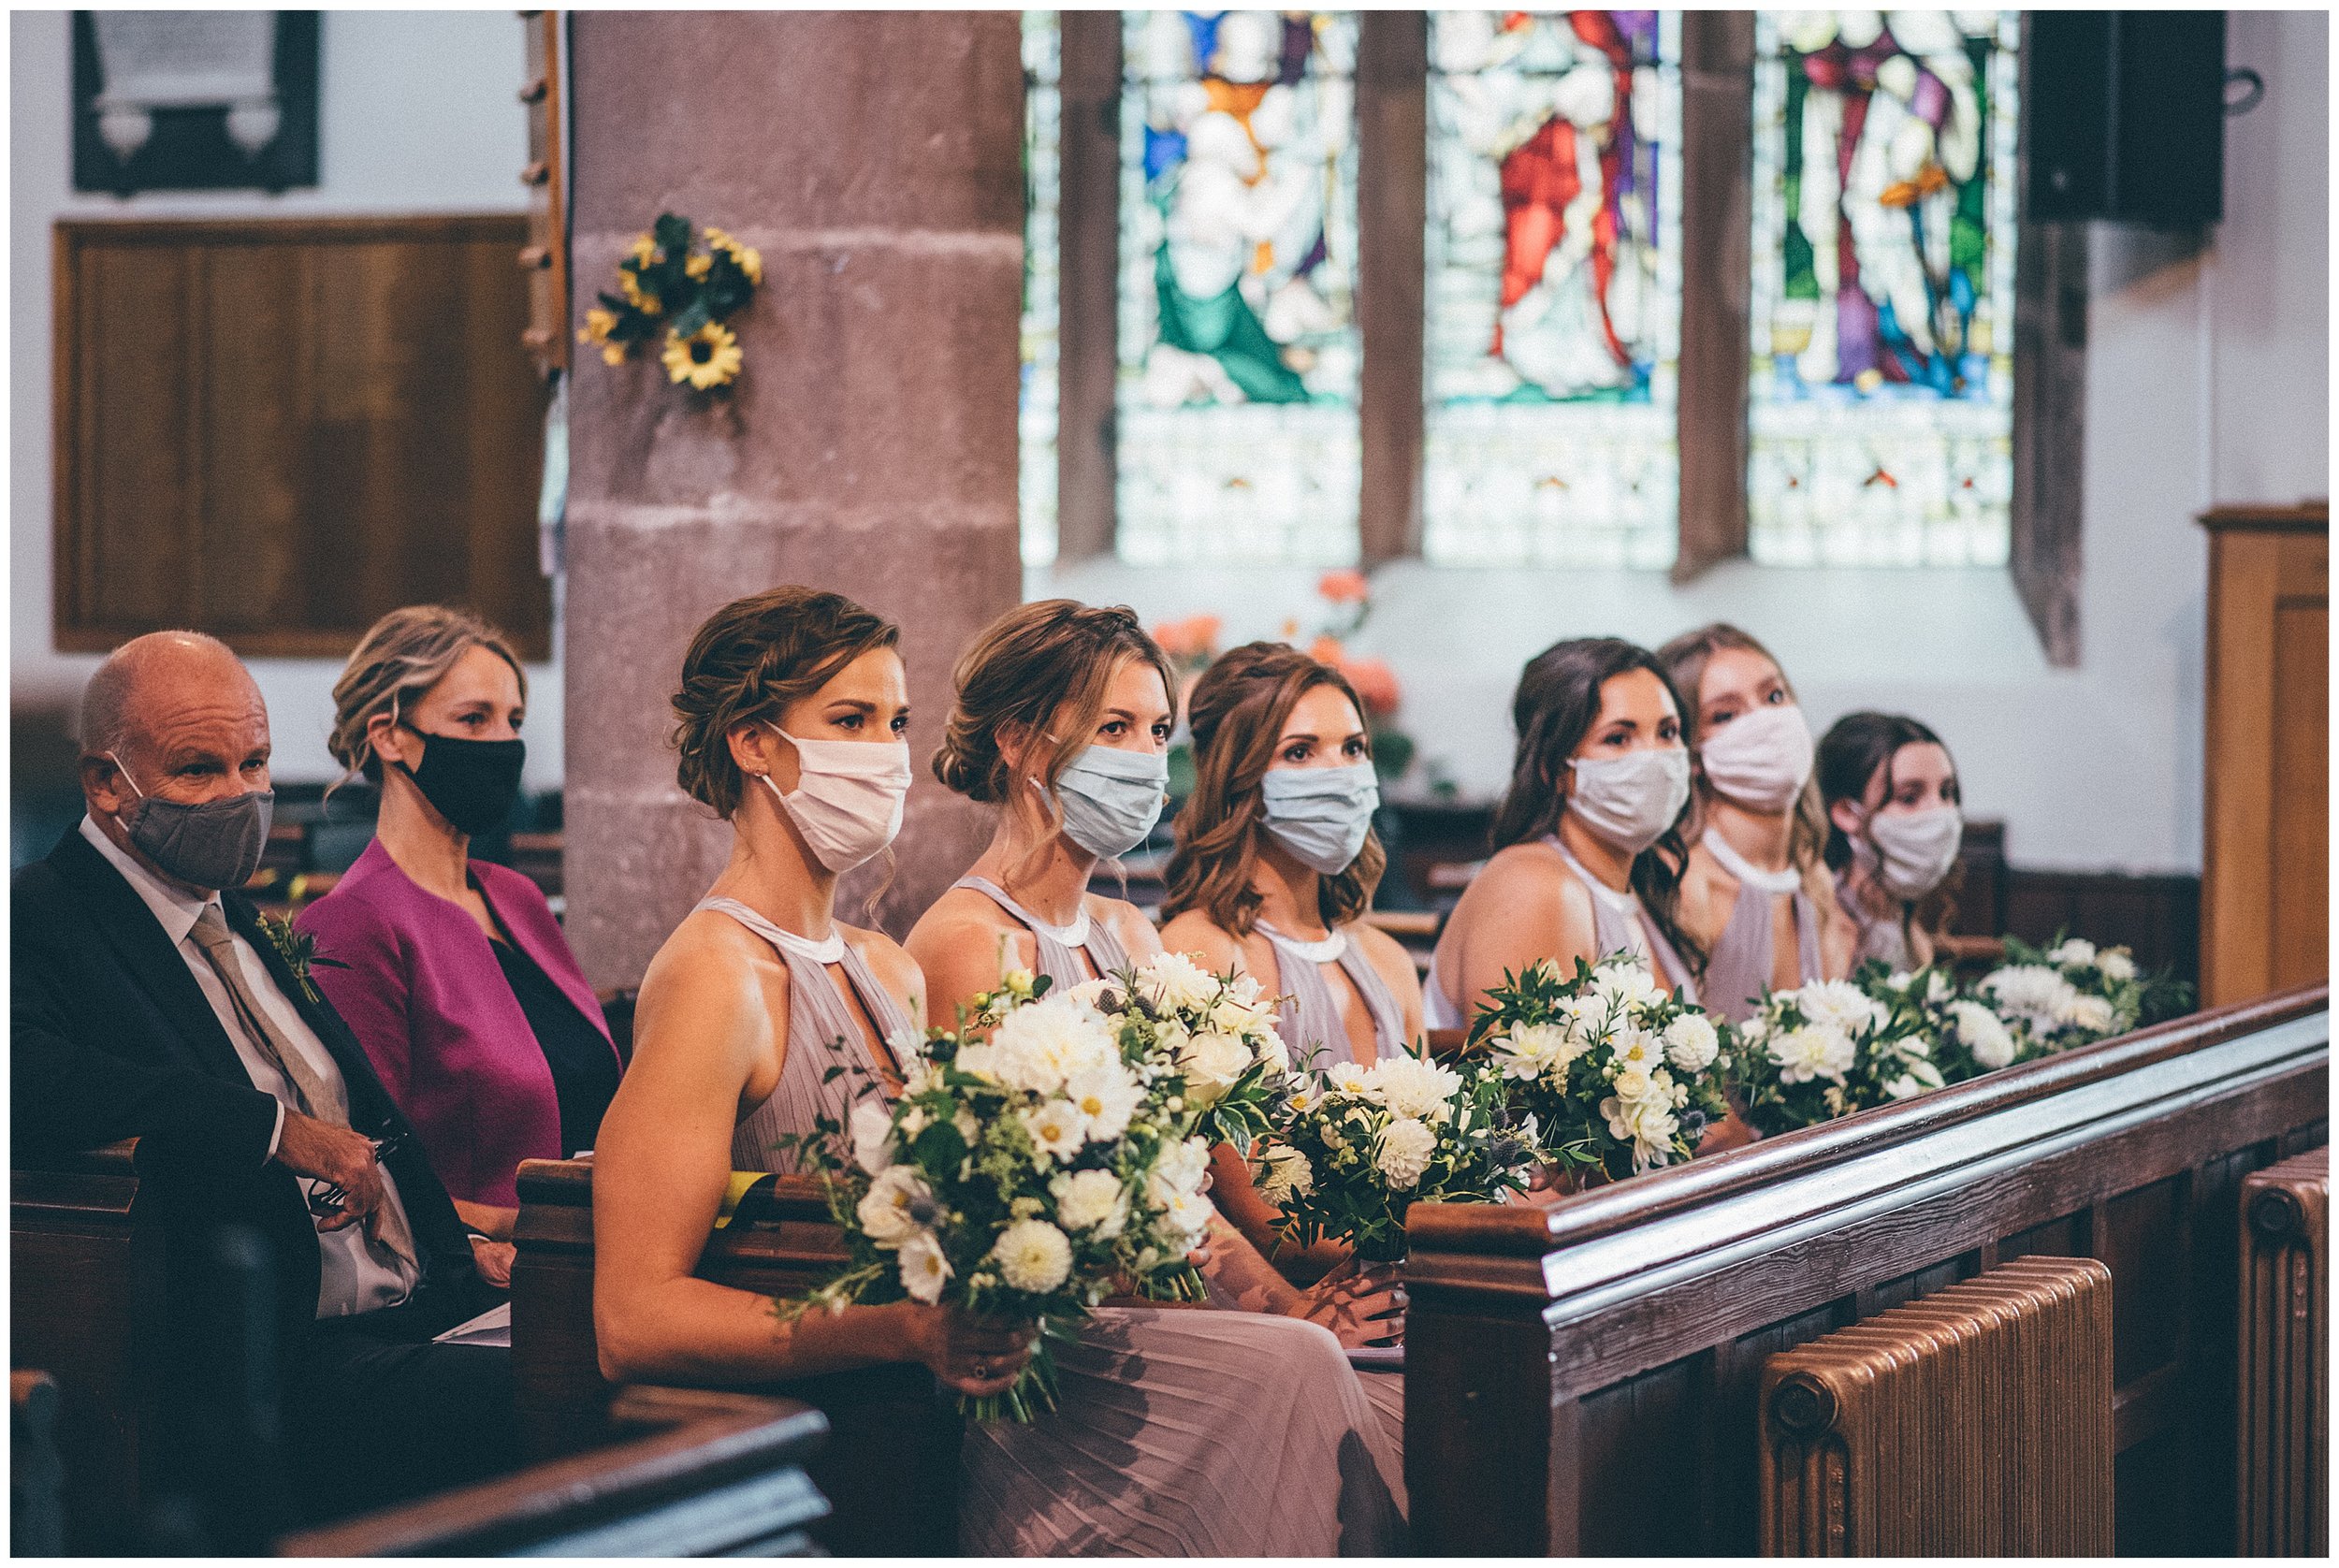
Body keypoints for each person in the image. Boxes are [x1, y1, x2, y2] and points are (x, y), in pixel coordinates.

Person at [592, 588, 1403, 1556]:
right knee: (1299, 1371)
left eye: (895, 721)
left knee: (1380, 1383)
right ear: (753, 743)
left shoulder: (882, 962)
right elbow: (631, 1314)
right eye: (848, 721)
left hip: (955, 1363)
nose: (887, 754)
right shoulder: (714, 973)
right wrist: (904, 1327)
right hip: (890, 1405)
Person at [11, 632, 515, 1528]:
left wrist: (450, 1246)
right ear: (104, 785)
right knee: (583, 1394)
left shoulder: (234, 917)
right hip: (280, 1363)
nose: (242, 796)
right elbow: (32, 1077)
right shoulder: (41, 919)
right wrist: (271, 1130)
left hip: (413, 1311)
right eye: (199, 770)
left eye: (255, 762)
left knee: (607, 1350)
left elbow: (361, 1117)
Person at [297, 608, 620, 1284]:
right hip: (478, 1284)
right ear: (390, 737)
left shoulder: (517, 898)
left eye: (513, 722)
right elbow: (362, 1169)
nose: (502, 743)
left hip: (592, 1256)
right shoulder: (353, 922)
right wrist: (514, 1228)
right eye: (474, 720)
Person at [1158, 642, 1422, 1278]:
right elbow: (1253, 1209)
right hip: (1281, 1292)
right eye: (1301, 752)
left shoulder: (1386, 959)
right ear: (1239, 776)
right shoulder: (1201, 952)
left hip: (1407, 1277)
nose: (1340, 773)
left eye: (1353, 749)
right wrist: (1437, 1245)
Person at [1426, 637, 1702, 1031]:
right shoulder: (1534, 886)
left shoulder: (1640, 889)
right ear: (1554, 770)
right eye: (1618, 738)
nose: (1653, 757)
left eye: (1668, 732)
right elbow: (1517, 1079)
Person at [1656, 623, 1855, 1023]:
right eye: (1725, 714)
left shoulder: (1814, 879)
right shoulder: (1681, 881)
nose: (1766, 722)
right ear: (1690, 752)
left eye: (1774, 696)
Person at [1817, 711, 1966, 971]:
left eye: (1946, 792)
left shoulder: (1909, 927)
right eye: (1909, 798)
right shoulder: (1827, 926)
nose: (1939, 812)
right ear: (1848, 813)